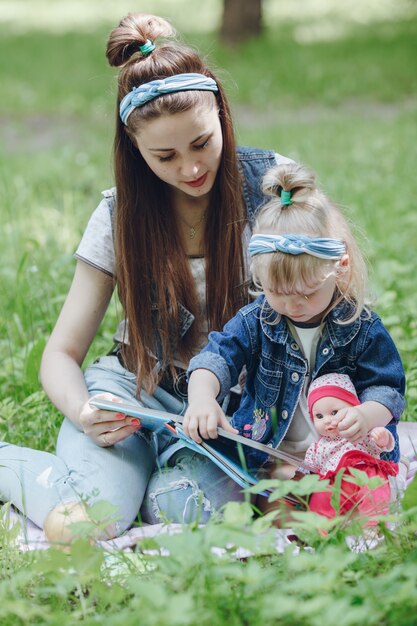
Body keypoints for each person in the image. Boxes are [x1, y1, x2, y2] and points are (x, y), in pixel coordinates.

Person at [0, 12, 292, 542]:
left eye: (202, 142)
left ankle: (149, 480)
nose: (190, 169)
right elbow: (60, 354)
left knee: (185, 511)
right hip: (138, 399)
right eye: (165, 156)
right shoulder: (119, 217)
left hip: (237, 410)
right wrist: (86, 411)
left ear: (222, 116)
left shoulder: (272, 187)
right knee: (84, 526)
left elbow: (323, 305)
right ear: (135, 150)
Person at [184, 162, 406, 497]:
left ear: (339, 268)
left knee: (355, 497)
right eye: (278, 293)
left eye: (307, 292)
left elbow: (387, 387)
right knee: (268, 500)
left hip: (342, 453)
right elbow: (217, 356)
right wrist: (201, 397)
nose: (293, 305)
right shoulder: (257, 320)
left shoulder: (361, 327)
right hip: (270, 453)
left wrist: (366, 414)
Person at [304, 372, 399, 522]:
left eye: (334, 412)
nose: (327, 420)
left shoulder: (358, 431)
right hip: (334, 482)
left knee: (376, 490)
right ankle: (317, 531)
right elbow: (308, 467)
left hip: (364, 473)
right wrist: (302, 477)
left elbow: (378, 445)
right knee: (319, 500)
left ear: (354, 407)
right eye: (319, 416)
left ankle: (373, 526)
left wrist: (382, 438)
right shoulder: (319, 446)